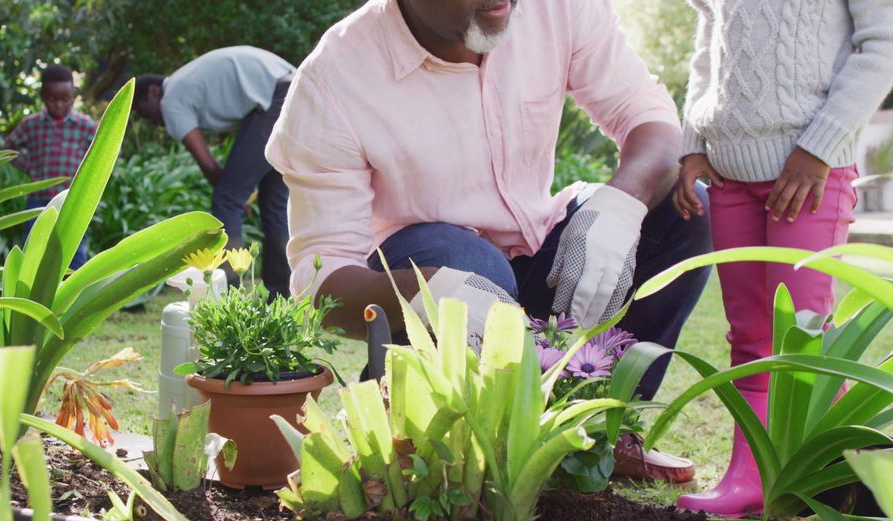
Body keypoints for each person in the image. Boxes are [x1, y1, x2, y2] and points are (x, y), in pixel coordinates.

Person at [267, 0, 714, 484]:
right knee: (467, 259)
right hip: (431, 272)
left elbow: (647, 116)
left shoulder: (555, 9)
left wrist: (621, 206)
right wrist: (431, 293)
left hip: (539, 258)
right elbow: (322, 284)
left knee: (682, 208)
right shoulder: (335, 80)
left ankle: (594, 426)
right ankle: (439, 444)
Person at [673, 0, 893, 517]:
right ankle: (751, 471)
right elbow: (708, 43)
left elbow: (884, 43)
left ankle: (856, 480)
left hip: (811, 172)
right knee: (750, 335)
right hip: (728, 172)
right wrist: (694, 139)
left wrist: (821, 145)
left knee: (804, 334)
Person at [132, 47, 296, 297]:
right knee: (272, 203)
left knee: (226, 200)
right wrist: (238, 192)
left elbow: (208, 165)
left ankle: (230, 293)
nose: (151, 121)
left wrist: (235, 195)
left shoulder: (171, 99)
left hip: (272, 101)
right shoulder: (186, 82)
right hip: (293, 93)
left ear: (154, 92)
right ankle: (281, 297)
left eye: (145, 112)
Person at [6, 63, 97, 269]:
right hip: (38, 200)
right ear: (42, 96)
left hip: (72, 201)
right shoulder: (31, 125)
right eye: (52, 99)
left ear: (73, 96)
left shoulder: (84, 126)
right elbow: (9, 147)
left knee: (74, 250)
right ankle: (28, 297)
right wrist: (29, 166)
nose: (58, 105)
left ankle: (76, 295)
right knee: (32, 251)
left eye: (65, 99)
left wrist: (88, 173)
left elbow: (109, 149)